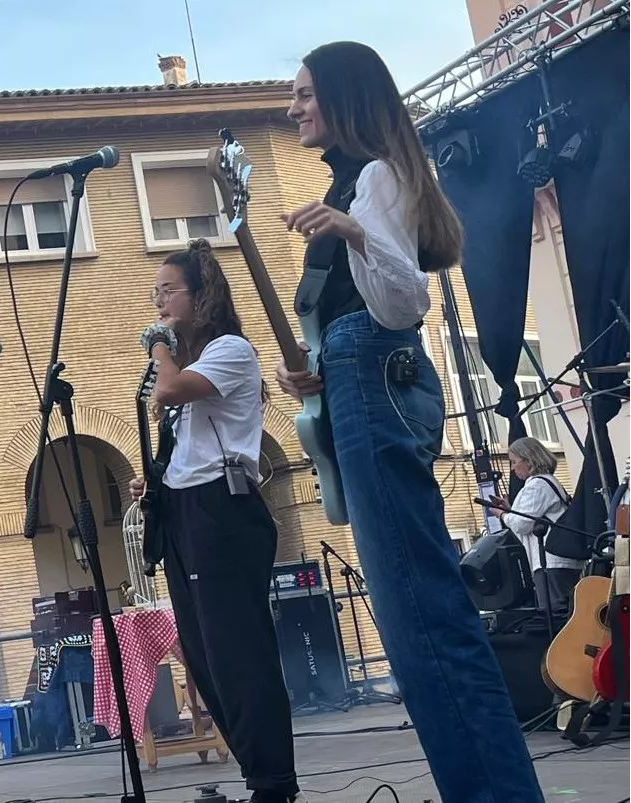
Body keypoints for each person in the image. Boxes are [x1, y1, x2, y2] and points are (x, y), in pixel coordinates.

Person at [276, 41, 544, 802]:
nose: (292, 108)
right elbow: (366, 316)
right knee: (415, 618)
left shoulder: (374, 180)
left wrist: (353, 231)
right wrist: (316, 371)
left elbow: (403, 302)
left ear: (343, 97)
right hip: (361, 383)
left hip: (377, 387)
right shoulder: (362, 182)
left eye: (303, 94)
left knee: (421, 617)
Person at [129, 240, 301, 803]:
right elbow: (188, 437)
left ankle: (274, 780)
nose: (158, 303)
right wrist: (155, 479)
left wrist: (160, 350)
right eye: (154, 293)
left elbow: (174, 389)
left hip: (221, 511)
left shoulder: (230, 349)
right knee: (202, 655)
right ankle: (258, 772)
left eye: (167, 292)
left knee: (236, 650)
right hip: (184, 510)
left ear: (200, 296)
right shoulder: (190, 361)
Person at [492, 437, 584, 630]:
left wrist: (502, 515)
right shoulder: (548, 482)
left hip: (549, 562)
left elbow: (522, 524)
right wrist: (511, 509)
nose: (512, 468)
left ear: (529, 460)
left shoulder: (536, 485)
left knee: (555, 617)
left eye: (514, 461)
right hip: (560, 562)